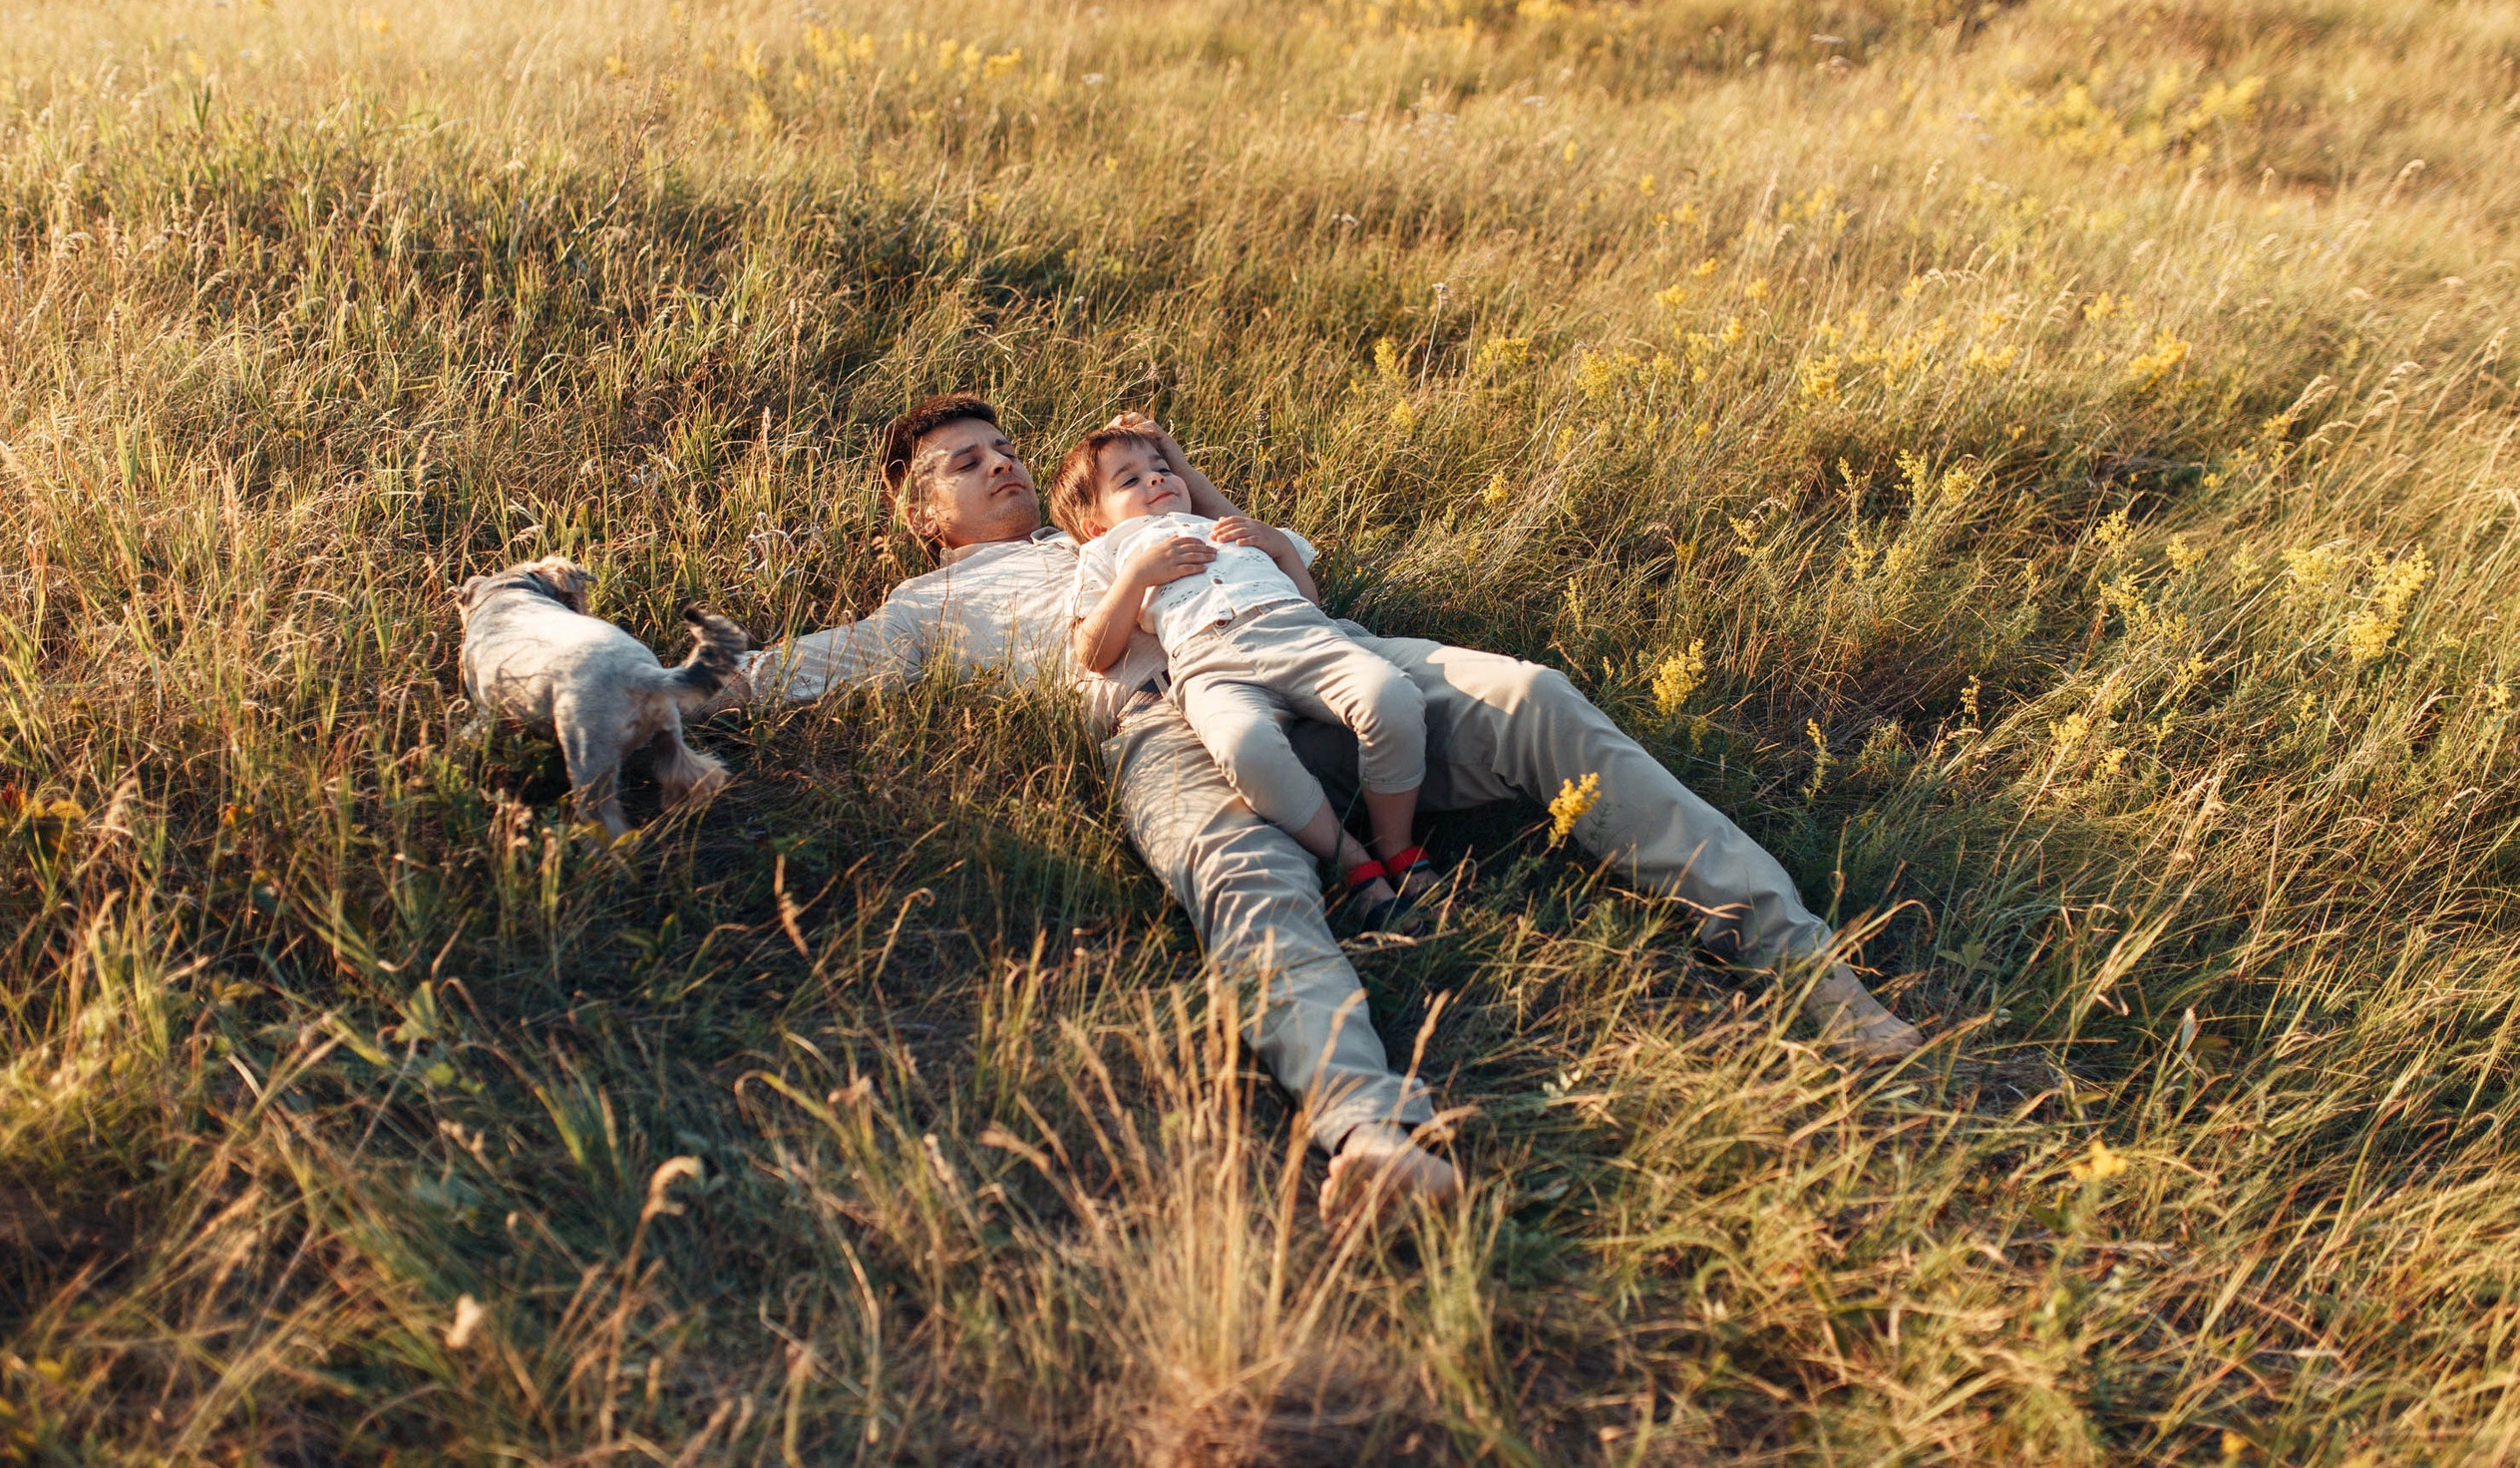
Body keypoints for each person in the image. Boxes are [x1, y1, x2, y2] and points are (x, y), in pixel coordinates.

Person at [728, 395, 1922, 1224]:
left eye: (1003, 447)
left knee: (1534, 696)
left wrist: (1188, 506)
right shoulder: (927, 607)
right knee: (1241, 884)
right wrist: (592, 683)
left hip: (1318, 653)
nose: (1000, 464)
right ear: (922, 517)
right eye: (963, 462)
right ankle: (1369, 1135)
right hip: (1170, 723)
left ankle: (1808, 969)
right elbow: (772, 677)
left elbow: (1296, 565)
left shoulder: (1127, 516)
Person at [1050, 424, 1437, 927]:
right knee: (1245, 747)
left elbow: (1311, 603)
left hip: (1293, 629)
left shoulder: (1222, 525)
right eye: (1130, 481)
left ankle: (1397, 845)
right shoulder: (1106, 554)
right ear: (1097, 525)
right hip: (1205, 661)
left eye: (1162, 470)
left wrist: (1279, 547)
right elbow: (1092, 651)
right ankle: (1354, 862)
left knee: (1392, 698)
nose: (1156, 480)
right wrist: (1137, 576)